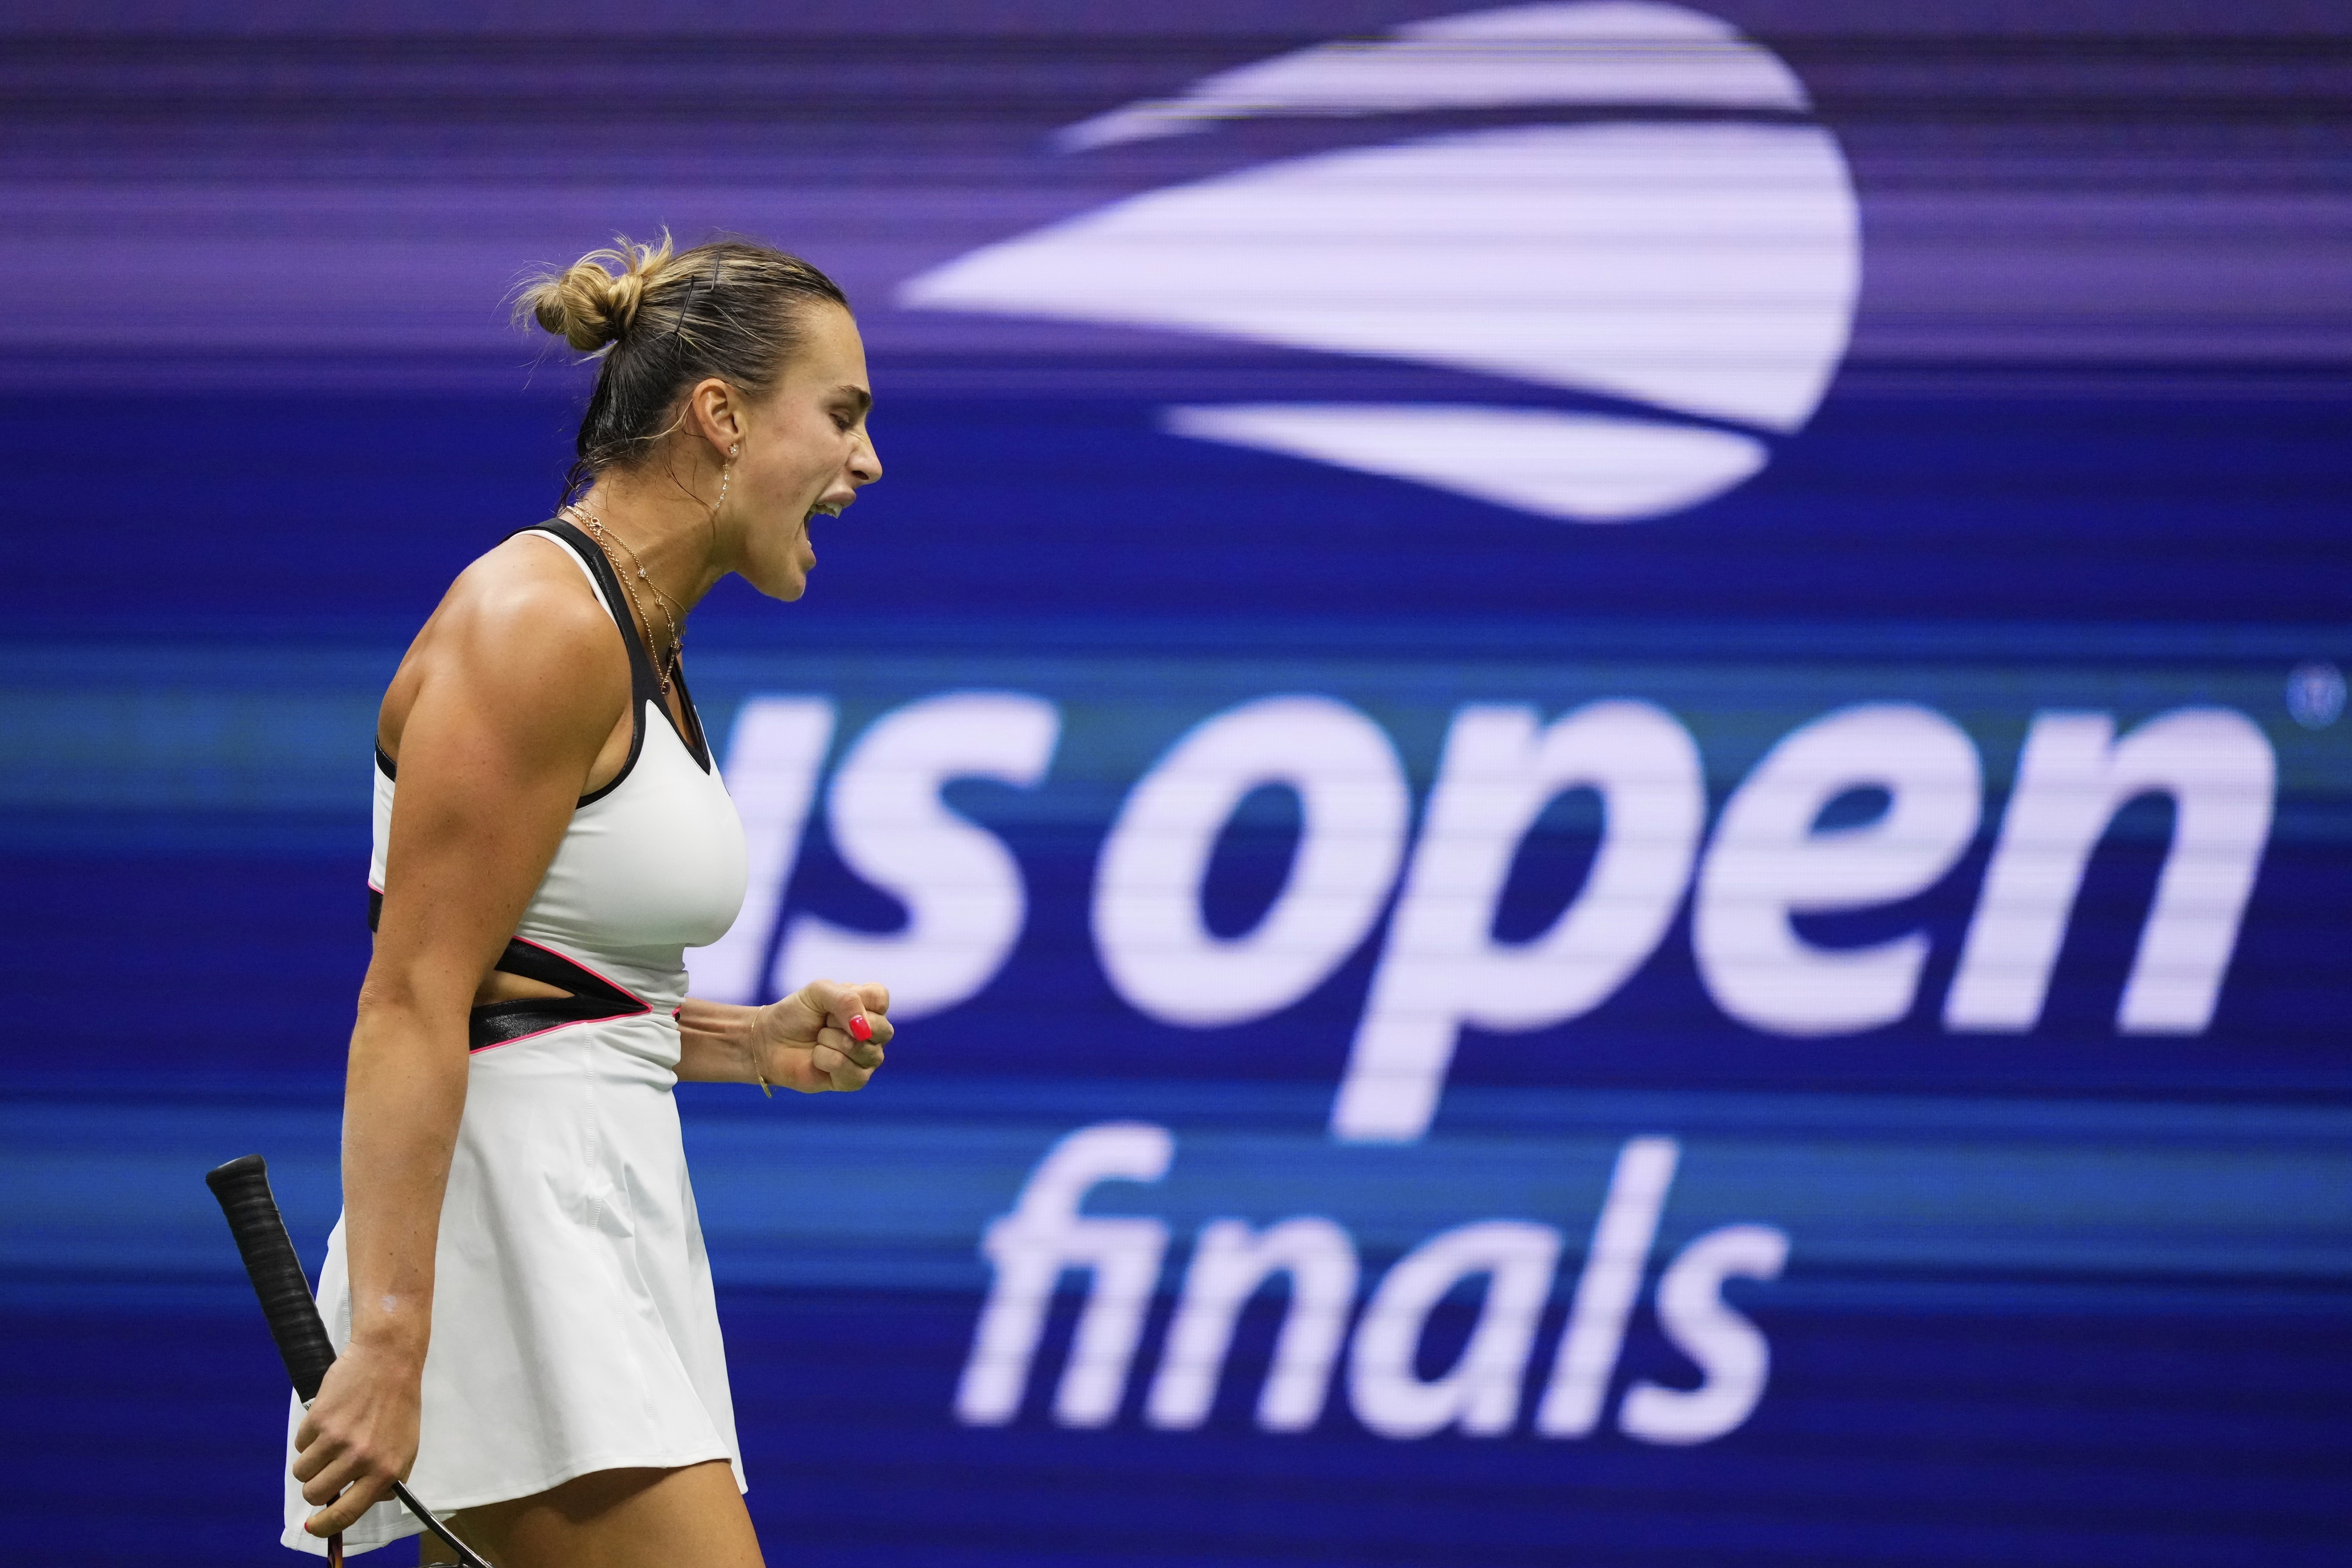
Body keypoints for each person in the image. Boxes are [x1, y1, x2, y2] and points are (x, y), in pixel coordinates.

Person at [281, 233, 889, 1568]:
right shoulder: (540, 626)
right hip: (511, 1237)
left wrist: (745, 1040)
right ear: (722, 415)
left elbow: (539, 981)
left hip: (594, 1209)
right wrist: (390, 1339)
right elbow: (412, 998)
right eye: (842, 414)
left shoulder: (636, 634)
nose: (868, 461)